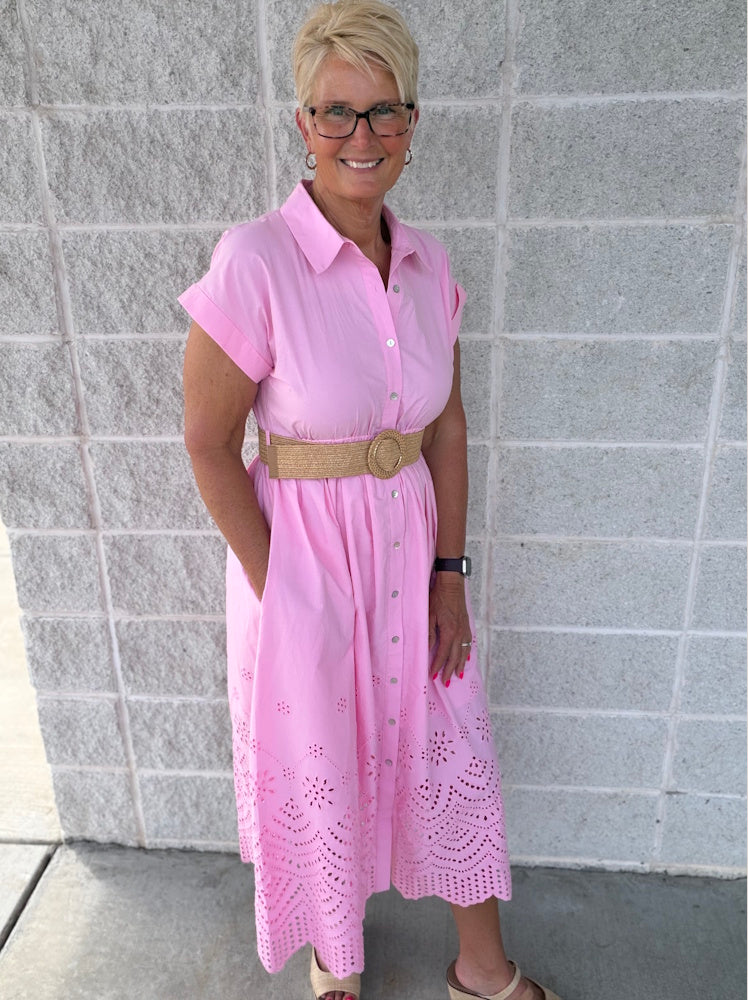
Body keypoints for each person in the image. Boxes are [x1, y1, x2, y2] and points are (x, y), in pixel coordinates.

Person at [181, 3, 560, 998]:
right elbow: (209, 444)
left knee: (447, 747)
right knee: (324, 761)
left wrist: (450, 574)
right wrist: (287, 592)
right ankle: (335, 965)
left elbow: (446, 427)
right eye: (338, 112)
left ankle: (481, 968)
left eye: (384, 111)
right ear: (303, 123)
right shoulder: (255, 260)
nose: (363, 137)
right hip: (303, 564)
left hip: (410, 560)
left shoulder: (430, 266)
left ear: (411, 121)